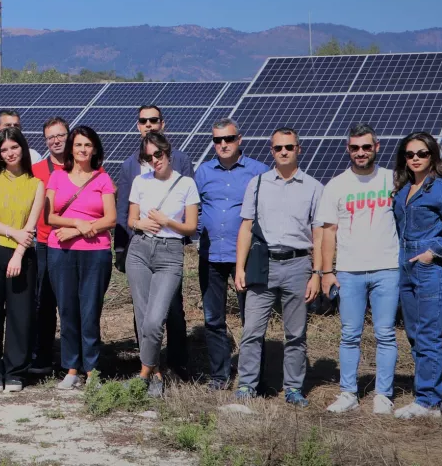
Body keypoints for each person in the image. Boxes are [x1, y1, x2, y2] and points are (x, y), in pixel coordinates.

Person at [234, 127, 323, 408]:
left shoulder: (313, 187)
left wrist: (317, 273)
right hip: (263, 265)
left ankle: (293, 388)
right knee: (252, 331)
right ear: (271, 151)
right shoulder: (257, 184)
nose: (283, 152)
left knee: (295, 333)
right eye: (277, 148)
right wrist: (239, 268)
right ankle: (247, 384)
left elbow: (319, 235)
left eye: (289, 147)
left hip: (298, 265)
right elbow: (246, 228)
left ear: (299, 149)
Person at [319, 124, 398, 415]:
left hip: (387, 268)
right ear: (348, 149)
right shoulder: (337, 185)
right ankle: (348, 392)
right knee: (349, 334)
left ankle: (383, 394)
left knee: (385, 333)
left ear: (377, 147)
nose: (360, 152)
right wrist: (327, 272)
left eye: (366, 147)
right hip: (350, 271)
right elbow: (328, 231)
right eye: (355, 147)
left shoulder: (393, 180)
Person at [390, 132, 442, 419]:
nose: (415, 159)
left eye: (422, 154)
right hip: (405, 263)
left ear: (432, 156)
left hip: (430, 267)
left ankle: (429, 402)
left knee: (429, 334)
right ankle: (425, 393)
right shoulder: (403, 190)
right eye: (410, 155)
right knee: (413, 333)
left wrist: (430, 253)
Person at [114, 105, 191, 379]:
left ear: (163, 124)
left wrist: (181, 238)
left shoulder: (181, 160)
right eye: (144, 121)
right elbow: (124, 210)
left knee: (173, 307)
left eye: (154, 120)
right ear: (138, 126)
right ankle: (151, 367)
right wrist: (122, 248)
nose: (149, 124)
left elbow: (189, 207)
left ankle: (178, 363)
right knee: (144, 310)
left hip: (170, 249)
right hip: (140, 246)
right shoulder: (128, 166)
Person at [192, 118, 268, 390]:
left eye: (228, 139)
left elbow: (266, 212)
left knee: (251, 320)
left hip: (244, 259)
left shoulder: (258, 171)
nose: (223, 144)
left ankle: (252, 379)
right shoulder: (203, 172)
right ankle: (220, 376)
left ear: (239, 139)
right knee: (214, 320)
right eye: (217, 140)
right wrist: (198, 233)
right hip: (211, 256)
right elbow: (195, 208)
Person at [125, 131, 199, 398]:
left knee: (156, 320)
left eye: (158, 154)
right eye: (148, 156)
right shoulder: (139, 181)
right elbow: (131, 219)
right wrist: (140, 223)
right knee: (143, 317)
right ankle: (155, 374)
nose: (154, 160)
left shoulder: (186, 184)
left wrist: (167, 221)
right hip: (140, 250)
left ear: (168, 152)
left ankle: (143, 374)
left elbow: (191, 228)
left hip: (170, 253)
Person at [45, 126, 116, 390]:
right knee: (67, 311)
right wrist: (78, 222)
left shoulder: (102, 179)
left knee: (89, 312)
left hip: (95, 253)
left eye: (87, 145)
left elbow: (110, 218)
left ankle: (92, 370)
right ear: (71, 149)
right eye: (78, 145)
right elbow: (49, 217)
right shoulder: (57, 177)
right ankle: (71, 369)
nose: (83, 149)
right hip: (61, 253)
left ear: (94, 149)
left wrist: (78, 229)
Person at [0, 127, 43, 392]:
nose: (10, 153)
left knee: (20, 314)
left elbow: (31, 226)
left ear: (23, 148)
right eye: (4, 149)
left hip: (23, 256)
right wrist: (11, 233)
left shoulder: (36, 184)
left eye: (14, 147)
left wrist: (18, 254)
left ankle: (16, 370)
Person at [29, 116, 69, 374]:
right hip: (43, 243)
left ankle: (70, 361)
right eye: (50, 137)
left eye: (60, 135)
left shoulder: (81, 165)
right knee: (43, 303)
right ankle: (42, 357)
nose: (56, 140)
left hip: (73, 245)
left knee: (69, 304)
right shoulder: (37, 171)